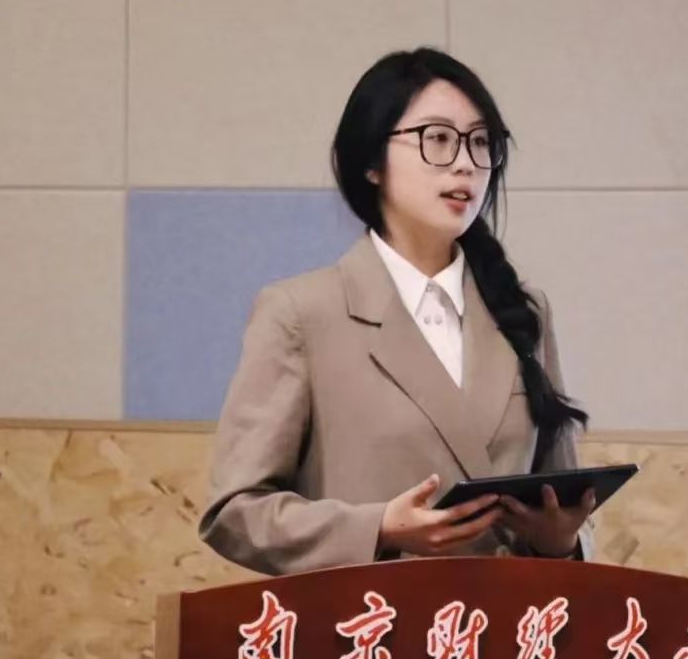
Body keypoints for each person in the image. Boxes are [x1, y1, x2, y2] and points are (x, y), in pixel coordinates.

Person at [199, 47, 594, 575]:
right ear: (371, 162)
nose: (465, 162)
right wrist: (378, 528)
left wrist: (561, 542)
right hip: (370, 621)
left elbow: (562, 498)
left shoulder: (524, 312)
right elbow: (235, 513)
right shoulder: (301, 314)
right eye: (438, 138)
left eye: (481, 142)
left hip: (502, 620)